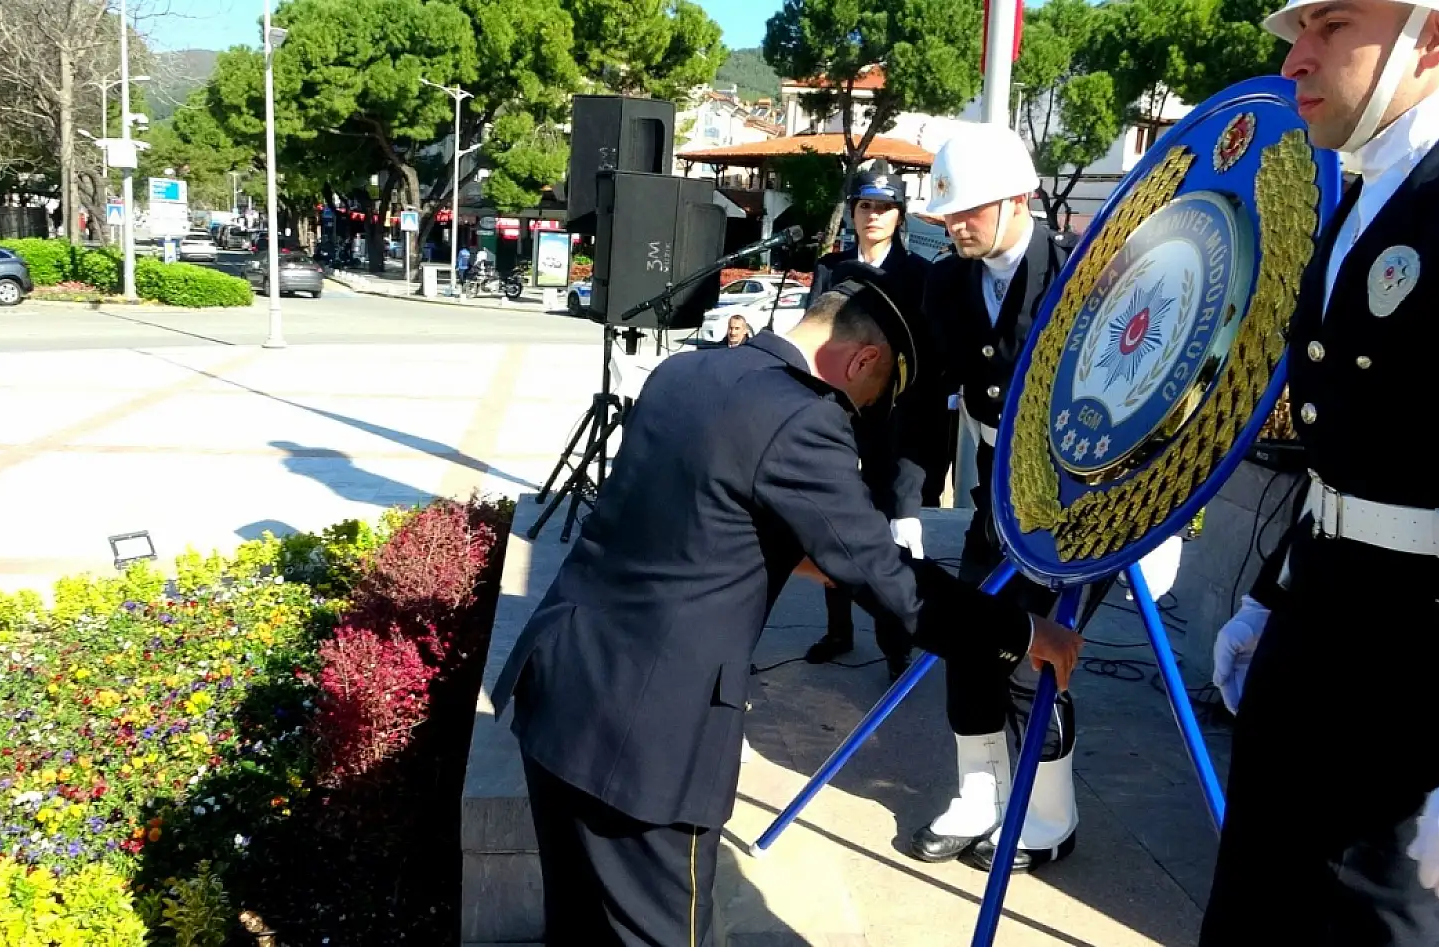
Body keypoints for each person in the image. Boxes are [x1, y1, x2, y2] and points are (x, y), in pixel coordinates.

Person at [490, 273, 1086, 947]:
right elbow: (887, 579)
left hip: (560, 691)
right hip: (647, 741)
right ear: (863, 361)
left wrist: (793, 550)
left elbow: (694, 515)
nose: (858, 417)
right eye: (869, 402)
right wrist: (1021, 629)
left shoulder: (686, 372)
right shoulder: (803, 420)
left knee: (576, 931)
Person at [1202, 3, 1439, 944]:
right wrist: (1269, 595)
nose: (1295, 56)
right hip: (1317, 637)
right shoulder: (1370, 199)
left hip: (1434, 676)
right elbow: (1356, 450)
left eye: (1330, 23)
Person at [899, 123, 1188, 875]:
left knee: (1037, 654)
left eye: (971, 209)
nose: (955, 223)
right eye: (948, 213)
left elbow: (1152, 391)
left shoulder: (1087, 272)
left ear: (1019, 197)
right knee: (967, 634)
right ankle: (978, 792)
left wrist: (1159, 520)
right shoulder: (945, 282)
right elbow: (933, 396)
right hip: (997, 484)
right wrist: (907, 496)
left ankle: (1048, 810)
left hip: (1080, 494)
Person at [800, 167, 940, 680]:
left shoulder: (923, 274)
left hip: (899, 427)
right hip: (837, 420)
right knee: (828, 527)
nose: (873, 215)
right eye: (865, 206)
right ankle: (839, 632)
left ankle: (898, 644)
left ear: (899, 215)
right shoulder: (830, 270)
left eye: (884, 207)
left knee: (894, 540)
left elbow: (931, 360)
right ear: (854, 212)